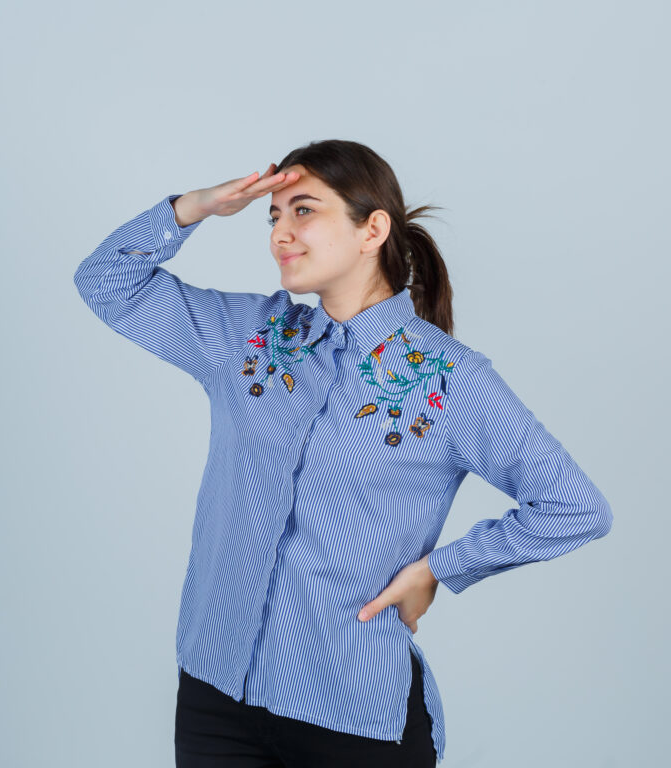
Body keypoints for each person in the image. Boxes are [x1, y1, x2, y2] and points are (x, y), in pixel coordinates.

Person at [73, 139, 613, 767]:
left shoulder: (448, 381)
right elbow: (104, 282)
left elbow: (575, 506)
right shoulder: (247, 339)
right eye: (273, 217)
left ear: (372, 229)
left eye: (304, 210)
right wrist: (195, 207)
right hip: (216, 693)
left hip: (349, 714)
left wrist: (441, 568)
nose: (281, 232)